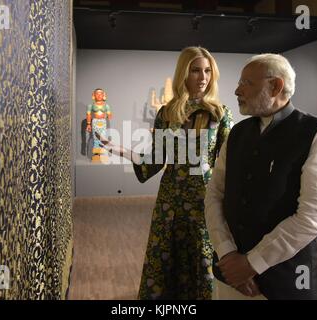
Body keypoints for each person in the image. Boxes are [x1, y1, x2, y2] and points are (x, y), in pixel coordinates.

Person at [98, 46, 233, 299]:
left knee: (202, 266)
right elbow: (155, 161)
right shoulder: (167, 113)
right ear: (184, 73)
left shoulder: (221, 114)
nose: (203, 77)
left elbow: (228, 165)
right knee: (166, 265)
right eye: (195, 70)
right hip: (170, 203)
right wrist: (121, 150)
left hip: (205, 203)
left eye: (207, 71)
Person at [205, 53, 317, 300]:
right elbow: (214, 193)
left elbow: (314, 215)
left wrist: (251, 264)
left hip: (293, 284)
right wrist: (226, 254)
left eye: (246, 83)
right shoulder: (237, 133)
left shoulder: (316, 133)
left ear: (275, 86)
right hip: (231, 280)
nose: (237, 90)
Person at [86, 88, 112, 163]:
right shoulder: (91, 105)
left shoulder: (106, 106)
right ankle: (96, 154)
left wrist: (109, 114)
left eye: (101, 93)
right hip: (95, 122)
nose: (99, 95)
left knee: (103, 138)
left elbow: (110, 115)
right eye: (97, 93)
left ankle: (103, 154)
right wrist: (88, 124)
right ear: (94, 95)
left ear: (104, 95)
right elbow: (88, 114)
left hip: (103, 122)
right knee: (95, 137)